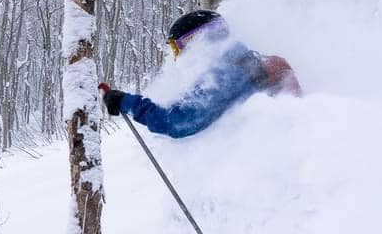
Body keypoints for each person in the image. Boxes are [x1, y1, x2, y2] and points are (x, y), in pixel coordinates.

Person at [99, 9, 301, 139]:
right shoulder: (241, 59)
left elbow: (179, 122)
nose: (178, 57)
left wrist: (127, 102)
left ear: (197, 40)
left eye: (178, 47)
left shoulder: (224, 72)